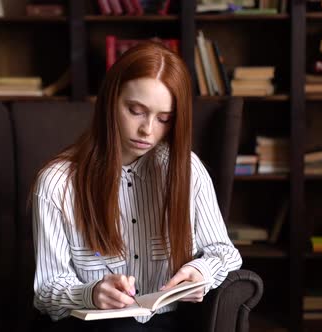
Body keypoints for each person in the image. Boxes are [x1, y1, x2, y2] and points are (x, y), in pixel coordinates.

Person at [31, 41, 242, 332]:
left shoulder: (187, 170)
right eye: (135, 110)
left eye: (164, 119)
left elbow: (226, 252)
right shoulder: (57, 183)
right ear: (110, 100)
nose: (148, 130)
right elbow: (46, 291)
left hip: (169, 322)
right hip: (93, 325)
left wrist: (200, 271)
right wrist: (90, 293)